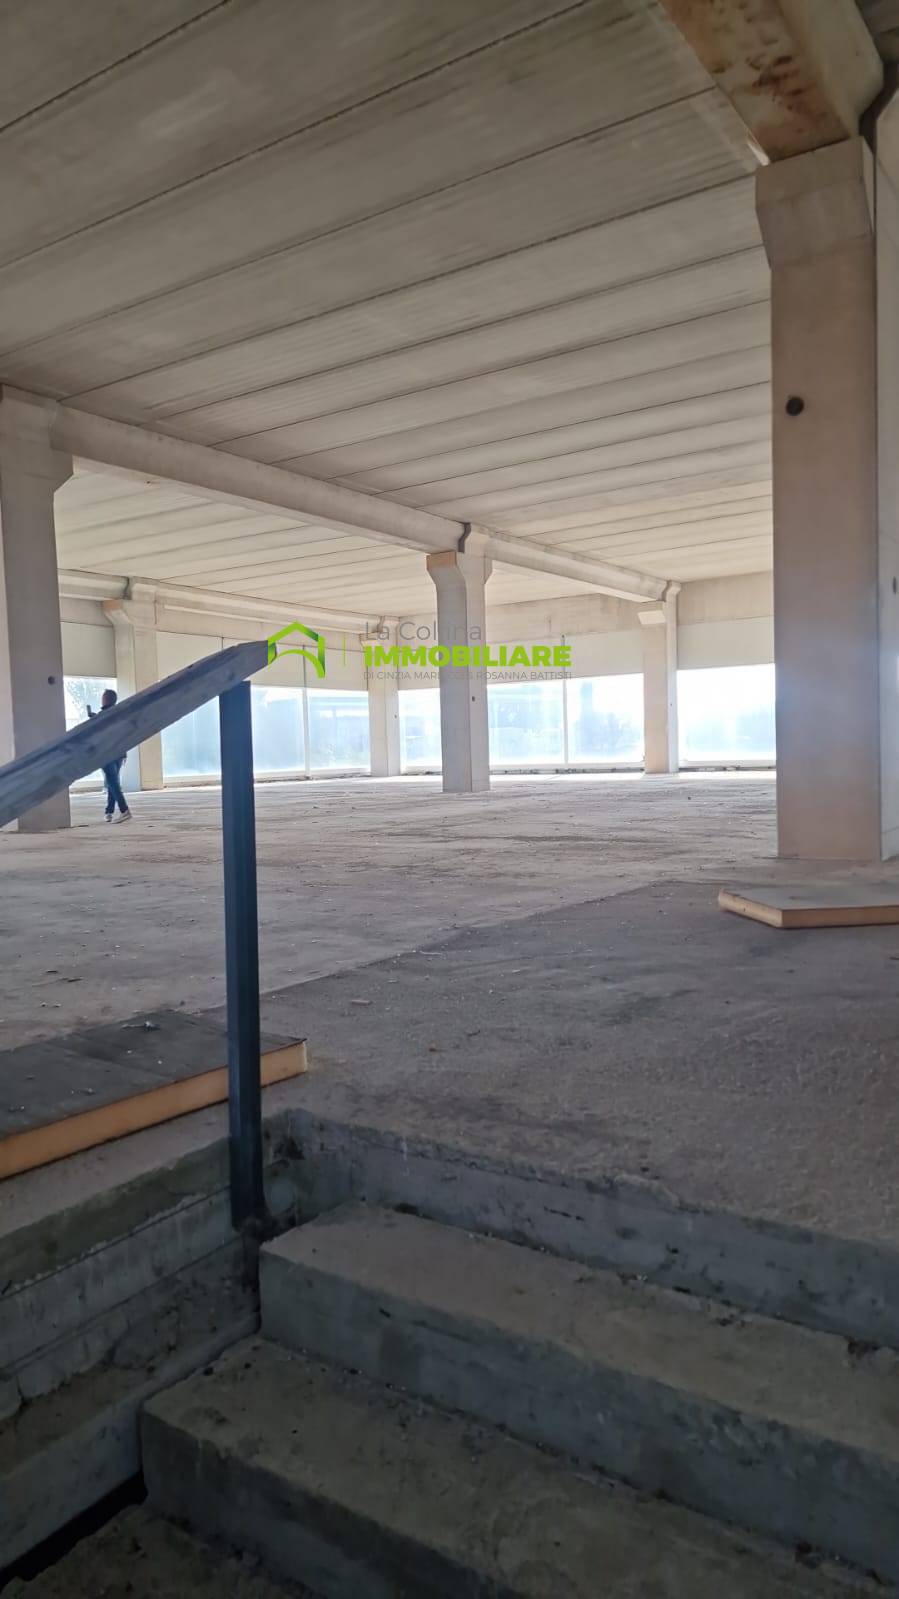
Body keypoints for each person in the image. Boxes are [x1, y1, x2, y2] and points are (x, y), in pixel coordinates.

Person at [87, 689, 132, 824]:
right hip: (119, 753)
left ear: (106, 699)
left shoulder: (103, 715)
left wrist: (93, 719)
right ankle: (109, 811)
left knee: (112, 782)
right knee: (113, 781)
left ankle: (124, 810)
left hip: (106, 753)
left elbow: (99, 730)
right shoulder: (119, 714)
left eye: (103, 697)